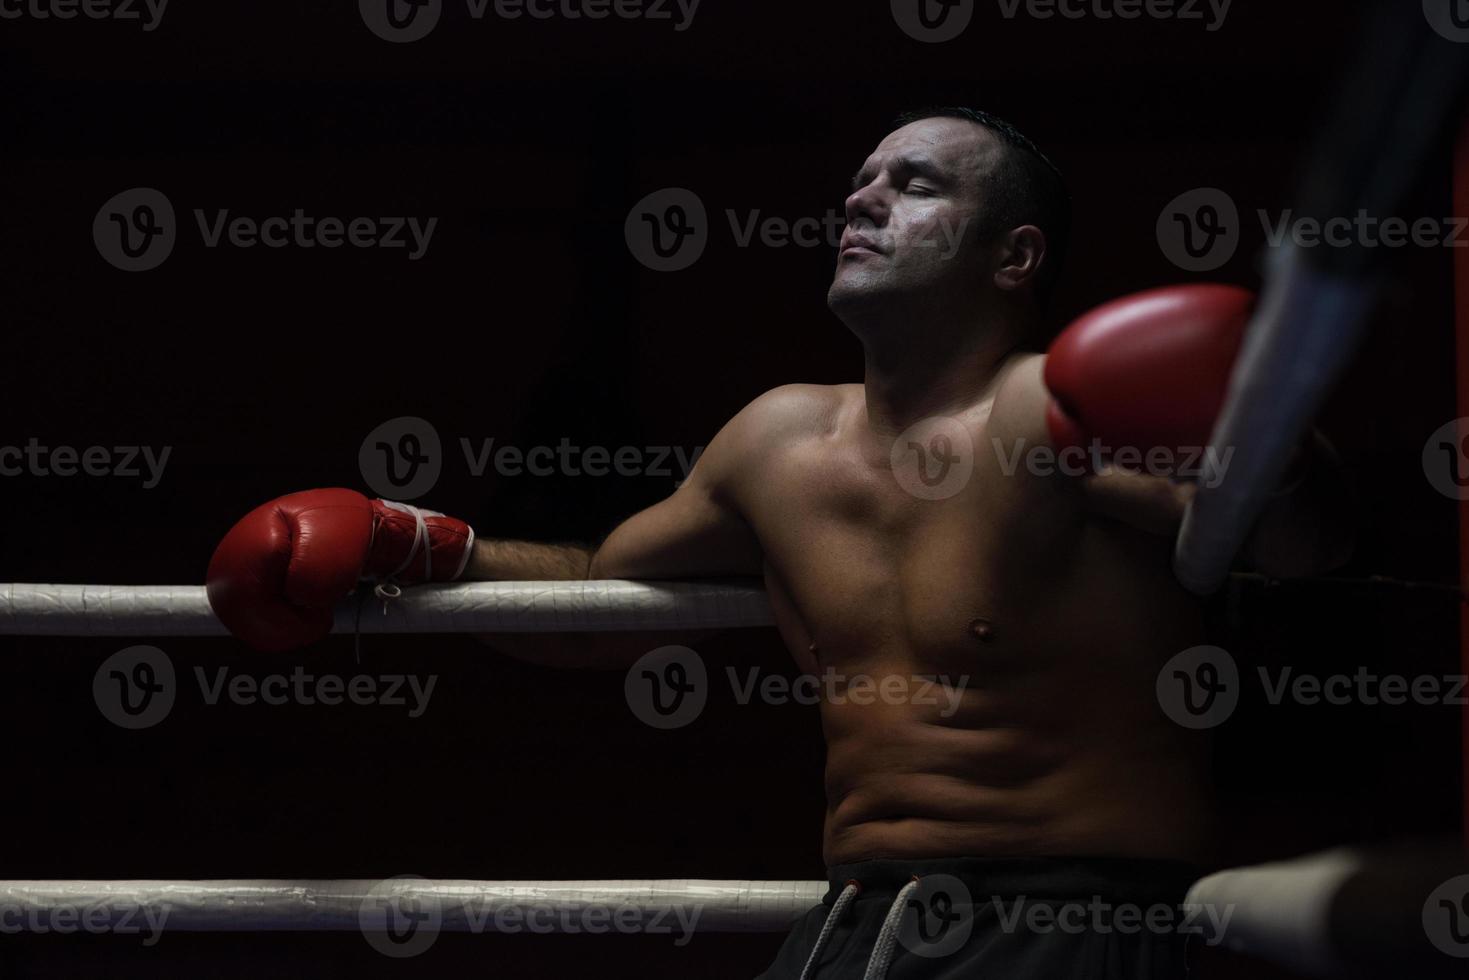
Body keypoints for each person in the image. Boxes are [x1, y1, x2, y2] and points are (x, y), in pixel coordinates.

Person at [206, 108, 1354, 978]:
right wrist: (416, 544)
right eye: (857, 183)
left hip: (1074, 914)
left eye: (913, 187)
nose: (862, 201)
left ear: (1013, 257)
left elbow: (1293, 551)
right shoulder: (775, 440)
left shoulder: (1050, 408)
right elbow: (600, 602)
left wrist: (1278, 447)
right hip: (859, 916)